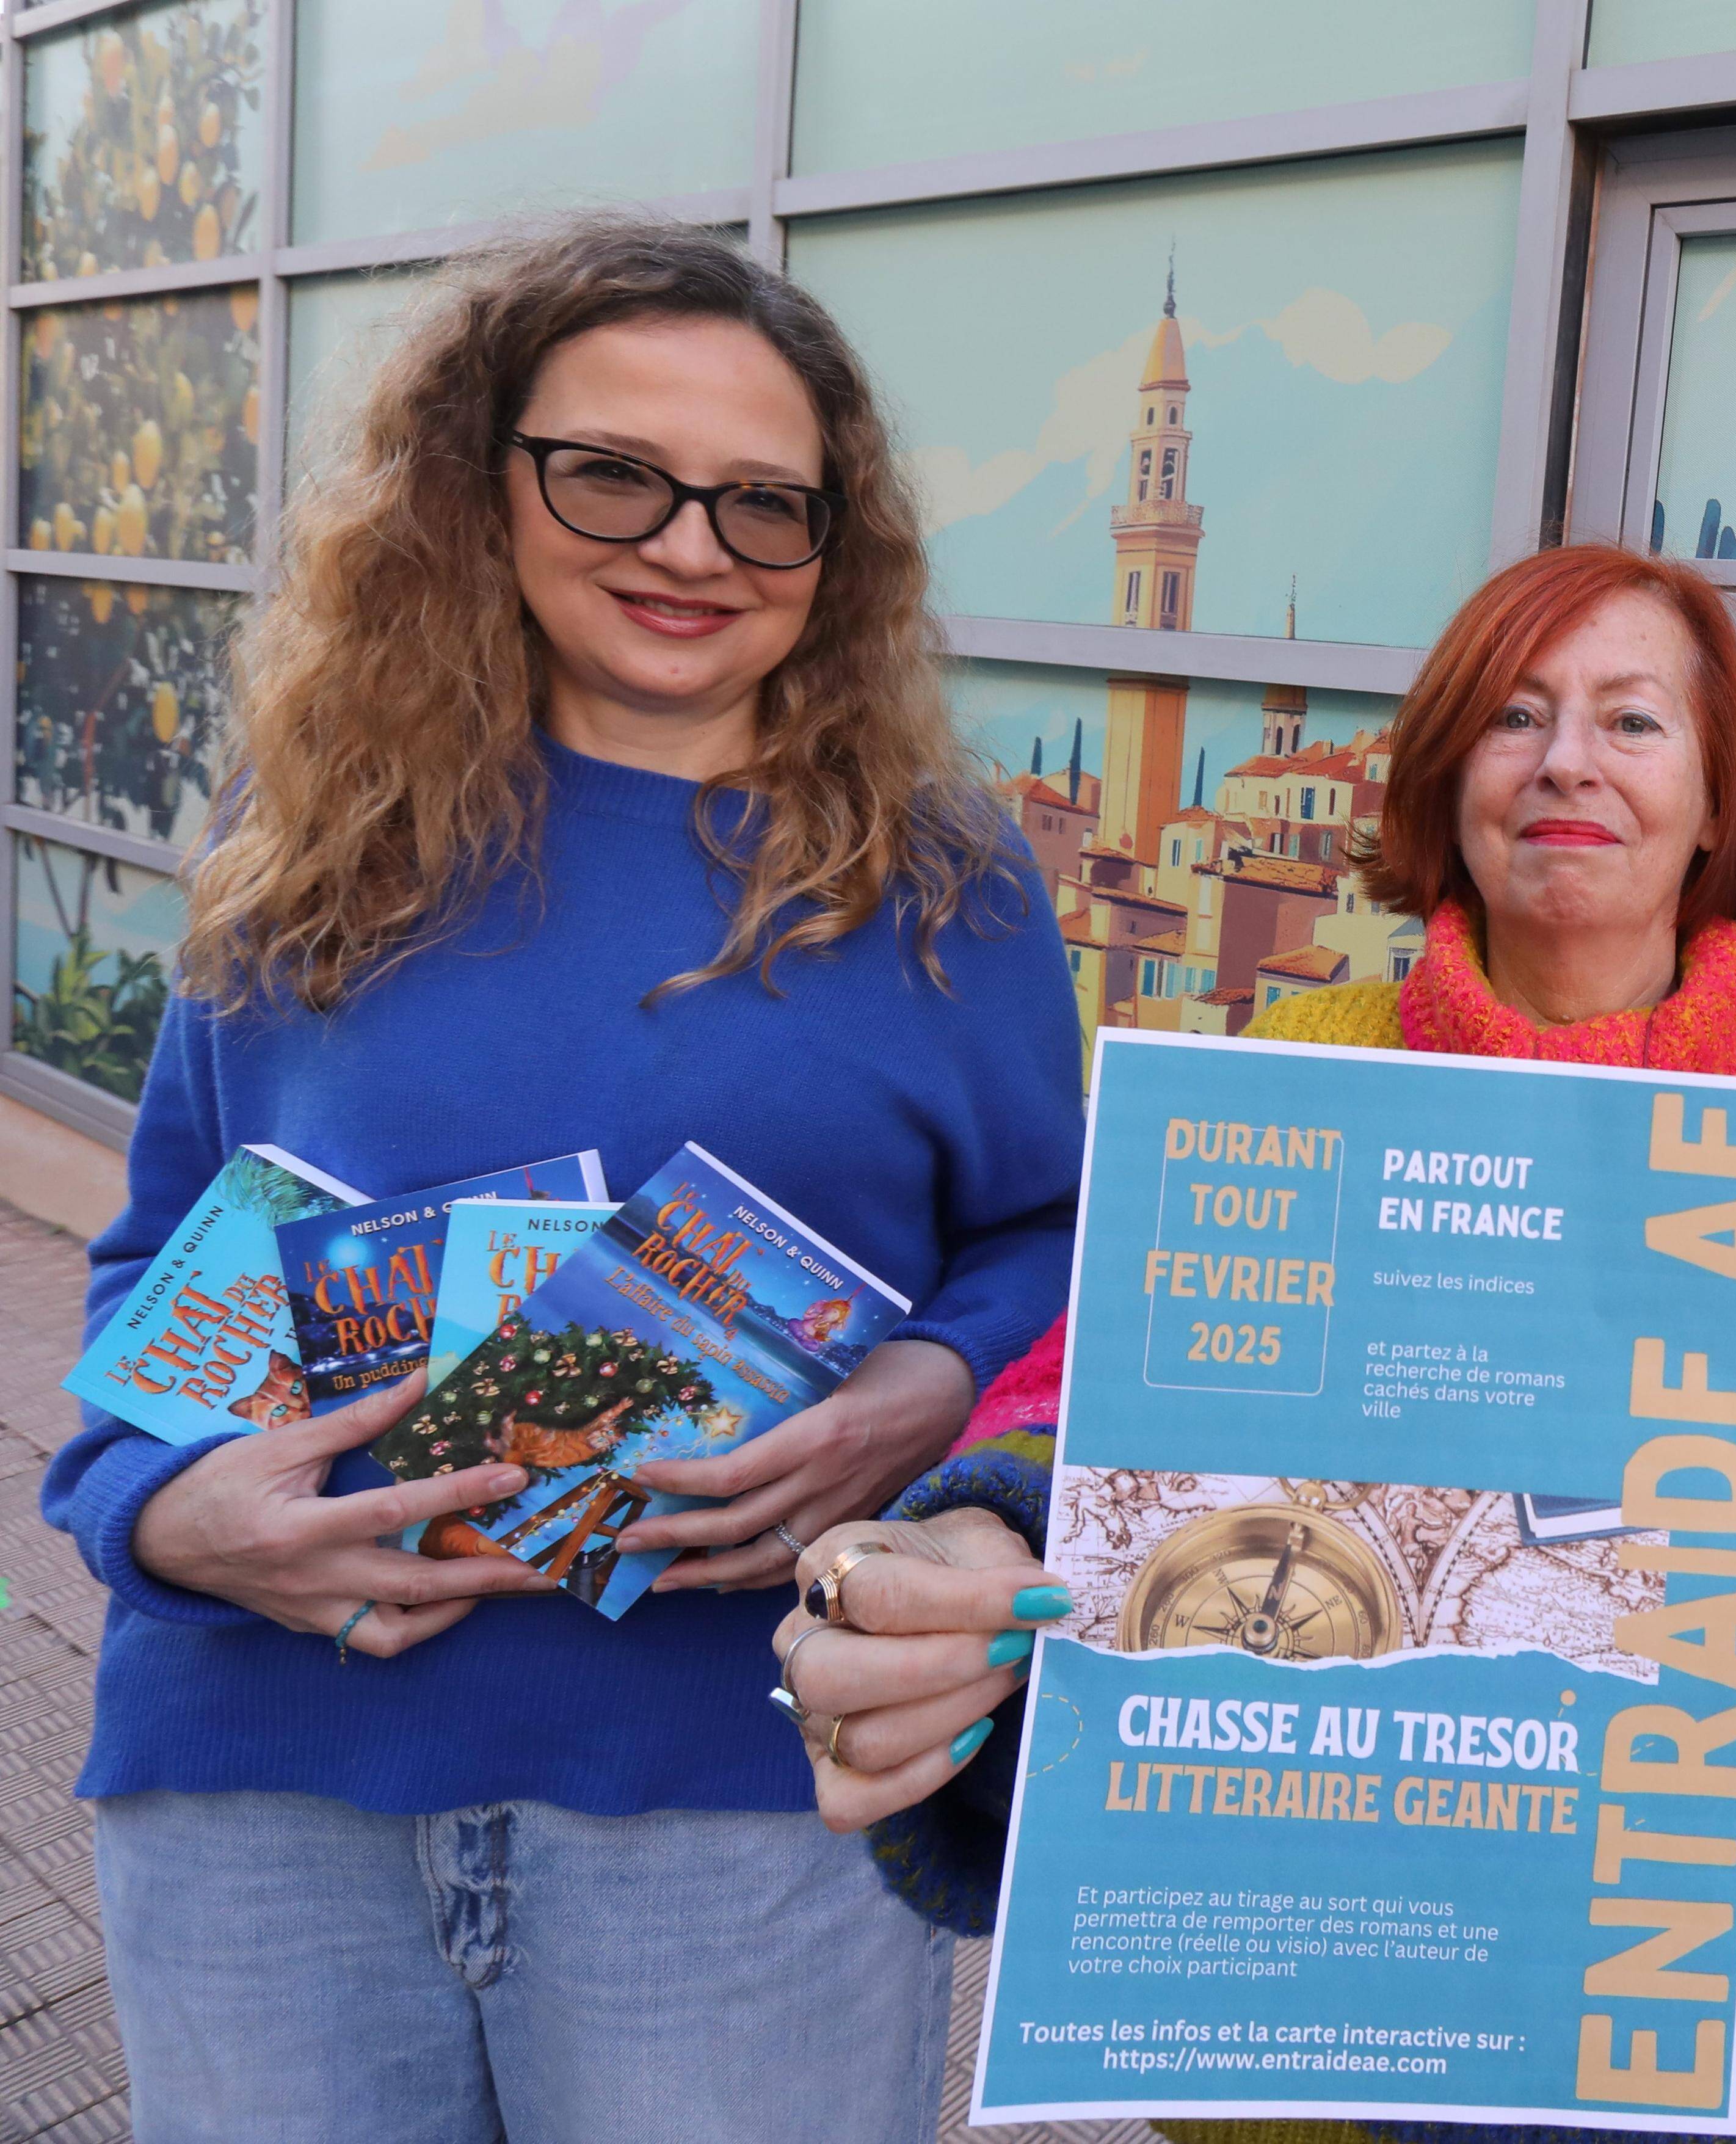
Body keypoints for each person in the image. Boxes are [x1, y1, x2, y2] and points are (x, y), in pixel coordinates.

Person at [771, 543, 1736, 2141]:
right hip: (1323, 1925)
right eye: (1515, 716)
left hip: (1698, 1958)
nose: (1566, 760)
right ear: (1449, 777)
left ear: (1713, 797)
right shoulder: (1302, 1058)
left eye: (1632, 722)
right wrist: (994, 1528)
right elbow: (1112, 1387)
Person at [42, 214, 1086, 2144]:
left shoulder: (940, 880)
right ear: (479, 486)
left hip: (733, 1786)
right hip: (264, 1784)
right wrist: (158, 1523)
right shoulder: (314, 830)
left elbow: (1058, 1241)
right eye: (613, 472)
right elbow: (159, 1265)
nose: (690, 546)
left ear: (831, 555)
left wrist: (923, 1397)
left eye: (765, 506)